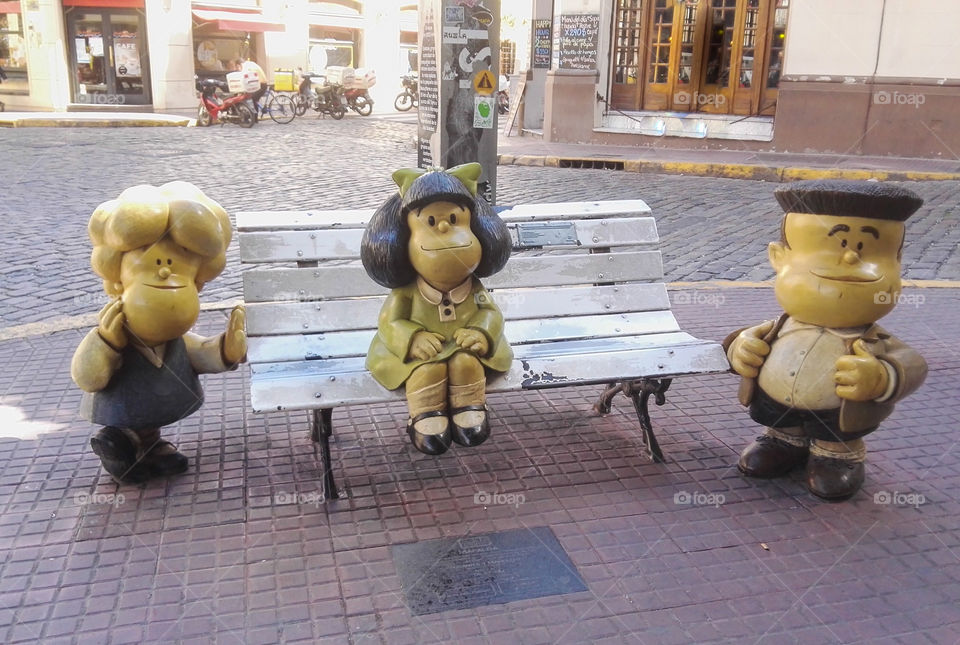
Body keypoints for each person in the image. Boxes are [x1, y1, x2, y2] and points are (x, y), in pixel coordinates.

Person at [725, 180, 927, 500]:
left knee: (837, 436)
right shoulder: (775, 328)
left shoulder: (874, 340)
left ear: (897, 262)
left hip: (840, 415)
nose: (850, 258)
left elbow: (912, 364)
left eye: (868, 250)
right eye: (834, 245)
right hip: (774, 404)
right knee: (780, 424)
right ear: (778, 257)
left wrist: (881, 377)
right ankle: (783, 440)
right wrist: (741, 347)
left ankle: (837, 455)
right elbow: (741, 340)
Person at [71, 182, 247, 483]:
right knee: (126, 430)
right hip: (120, 407)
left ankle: (147, 444)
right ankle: (118, 443)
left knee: (146, 427)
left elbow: (199, 352)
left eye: (180, 258)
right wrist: (105, 342)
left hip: (153, 406)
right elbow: (87, 377)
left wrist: (226, 350)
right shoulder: (115, 331)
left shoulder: (175, 341)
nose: (165, 269)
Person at [360, 164, 513, 456]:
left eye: (454, 219)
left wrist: (482, 332)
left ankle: (470, 406)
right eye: (430, 221)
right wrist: (411, 338)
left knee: (466, 363)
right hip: (420, 354)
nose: (444, 228)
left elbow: (491, 313)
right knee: (427, 370)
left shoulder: (474, 288)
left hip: (463, 346)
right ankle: (425, 414)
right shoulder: (407, 292)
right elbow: (389, 321)